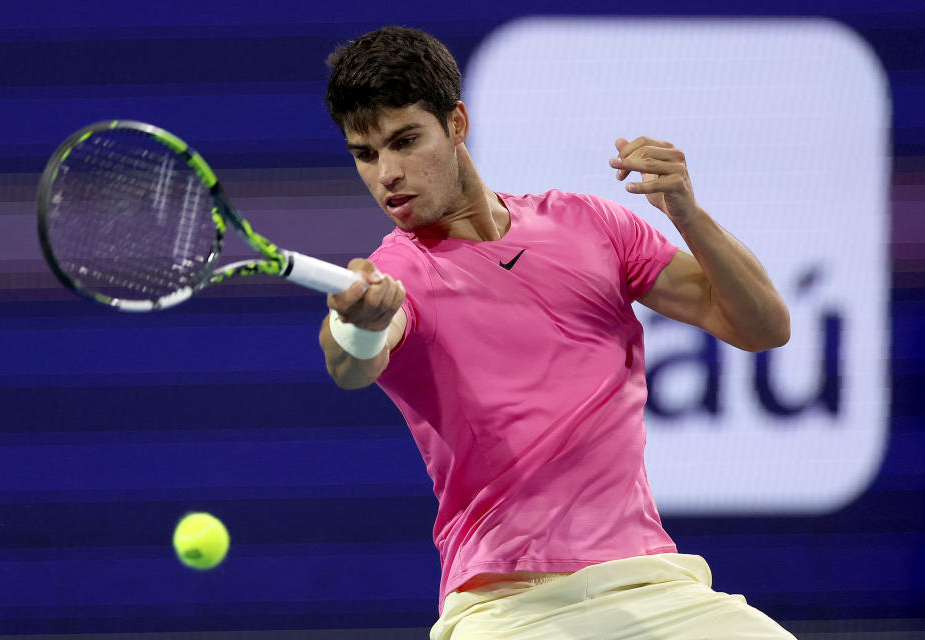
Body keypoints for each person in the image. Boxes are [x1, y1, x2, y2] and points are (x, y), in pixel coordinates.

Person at [318, 26, 794, 640]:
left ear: (456, 123)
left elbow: (764, 327)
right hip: (509, 610)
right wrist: (358, 325)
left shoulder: (589, 225)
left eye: (405, 141)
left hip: (652, 586)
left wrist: (688, 213)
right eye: (365, 153)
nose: (387, 174)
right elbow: (351, 364)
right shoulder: (397, 275)